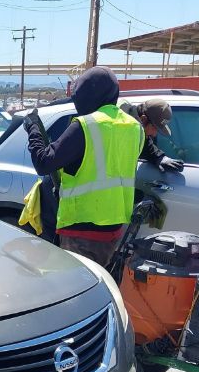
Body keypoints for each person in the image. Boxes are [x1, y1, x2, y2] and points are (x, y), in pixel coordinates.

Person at [24, 66, 144, 267]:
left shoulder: (86, 125)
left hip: (81, 229)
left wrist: (33, 128)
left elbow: (44, 163)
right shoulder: (134, 127)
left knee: (76, 289)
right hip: (114, 227)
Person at [119, 98, 184, 172]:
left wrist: (159, 157)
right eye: (155, 128)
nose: (154, 134)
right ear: (143, 119)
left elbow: (145, 145)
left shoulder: (135, 130)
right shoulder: (120, 129)